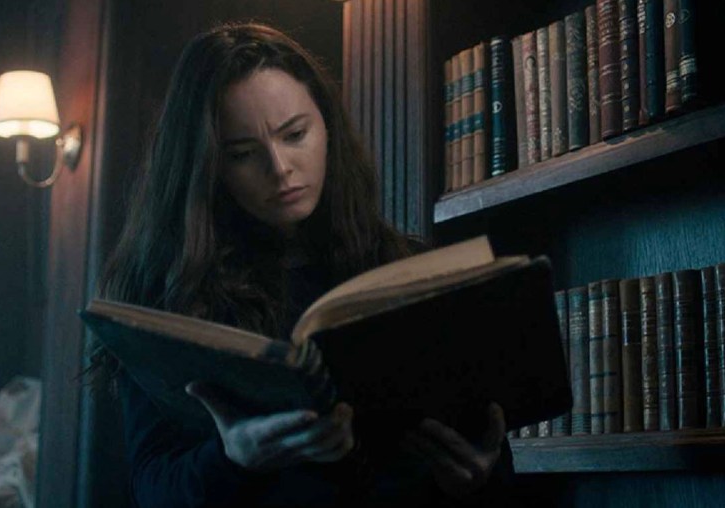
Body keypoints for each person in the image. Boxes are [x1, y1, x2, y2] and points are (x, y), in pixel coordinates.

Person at [97, 22, 513, 507]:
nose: (279, 169)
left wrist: (479, 477)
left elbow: (490, 450)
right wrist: (233, 461)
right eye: (242, 154)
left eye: (295, 134)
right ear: (207, 168)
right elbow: (153, 489)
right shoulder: (168, 294)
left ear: (327, 127)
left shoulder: (411, 268)